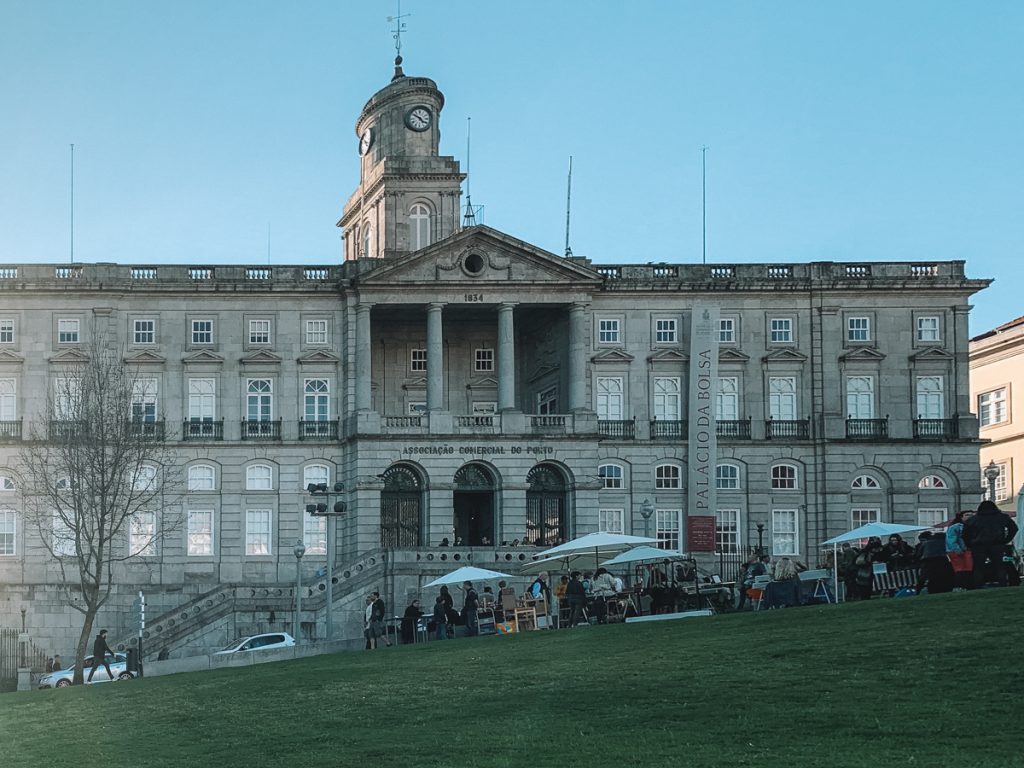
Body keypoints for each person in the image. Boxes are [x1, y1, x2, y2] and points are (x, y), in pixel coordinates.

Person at [964, 500, 1019, 587]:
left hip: (979, 545)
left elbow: (965, 534)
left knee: (978, 567)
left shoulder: (973, 519)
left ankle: (977, 586)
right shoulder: (1002, 517)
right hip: (997, 544)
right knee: (999, 566)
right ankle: (1003, 584)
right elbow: (1014, 528)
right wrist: (1006, 540)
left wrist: (969, 544)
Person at [945, 510, 974, 590]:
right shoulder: (955, 527)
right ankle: (959, 586)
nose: (970, 516)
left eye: (971, 515)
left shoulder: (970, 526)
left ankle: (964, 586)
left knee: (967, 569)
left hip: (966, 550)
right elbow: (951, 540)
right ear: (961, 517)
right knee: (960, 569)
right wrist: (956, 549)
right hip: (959, 551)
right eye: (967, 515)